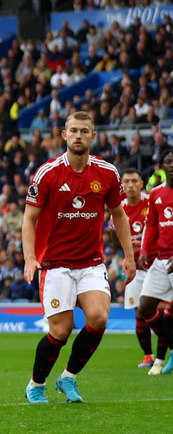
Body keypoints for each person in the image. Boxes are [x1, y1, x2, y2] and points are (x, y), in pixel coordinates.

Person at [23, 111, 135, 404]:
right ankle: (36, 384)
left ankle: (68, 378)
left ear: (93, 137)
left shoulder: (107, 172)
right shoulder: (47, 173)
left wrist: (129, 256)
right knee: (60, 330)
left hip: (90, 263)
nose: (78, 136)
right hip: (55, 264)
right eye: (73, 130)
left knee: (98, 318)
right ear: (64, 135)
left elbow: (119, 215)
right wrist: (29, 258)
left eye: (84, 131)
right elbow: (29, 219)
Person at [114, 168, 168, 371]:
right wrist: (127, 249)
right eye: (126, 181)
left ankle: (165, 351)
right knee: (140, 313)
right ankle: (148, 356)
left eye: (134, 181)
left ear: (141, 182)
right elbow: (114, 237)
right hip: (135, 268)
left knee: (162, 309)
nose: (130, 185)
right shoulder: (119, 208)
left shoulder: (151, 201)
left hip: (156, 264)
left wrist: (145, 246)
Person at [136, 147, 173, 375]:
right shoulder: (156, 194)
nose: (172, 165)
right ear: (161, 166)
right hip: (161, 260)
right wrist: (144, 250)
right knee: (145, 306)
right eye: (168, 161)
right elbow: (151, 225)